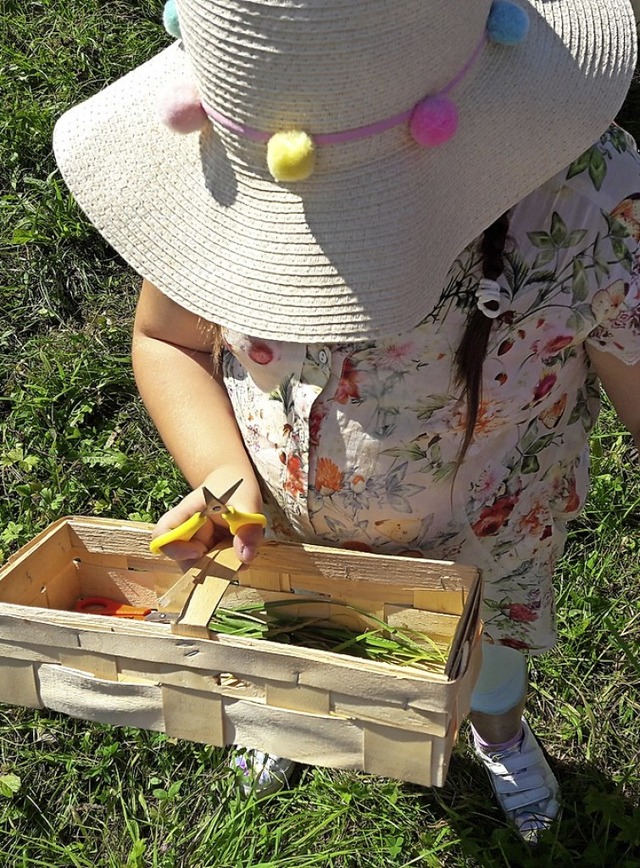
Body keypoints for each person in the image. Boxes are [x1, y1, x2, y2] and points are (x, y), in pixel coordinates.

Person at [53, 0, 640, 845]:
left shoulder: (589, 209)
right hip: (288, 525)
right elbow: (167, 339)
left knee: (486, 658)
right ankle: (295, 706)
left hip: (488, 535)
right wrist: (224, 479)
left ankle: (498, 730)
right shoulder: (214, 173)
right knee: (303, 627)